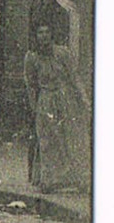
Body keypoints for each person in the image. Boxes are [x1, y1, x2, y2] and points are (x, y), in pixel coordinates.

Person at [23, 24, 89, 193]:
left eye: (47, 32)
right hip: (45, 101)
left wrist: (84, 98)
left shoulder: (62, 53)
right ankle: (49, 180)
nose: (43, 36)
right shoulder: (32, 57)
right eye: (40, 32)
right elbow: (30, 84)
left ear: (52, 34)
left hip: (65, 100)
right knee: (47, 140)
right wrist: (34, 107)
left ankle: (77, 178)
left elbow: (74, 76)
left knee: (70, 138)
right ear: (35, 36)